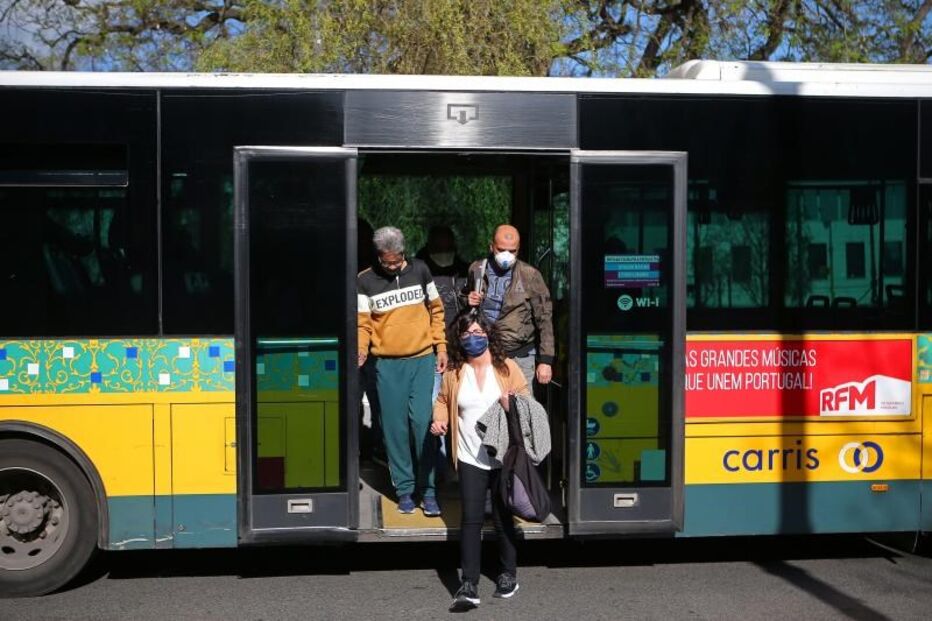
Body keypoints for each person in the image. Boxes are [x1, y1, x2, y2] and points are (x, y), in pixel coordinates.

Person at [430, 311, 528, 611]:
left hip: (502, 455)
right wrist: (439, 420)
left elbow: (527, 401)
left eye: (477, 333)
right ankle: (469, 583)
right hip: (469, 454)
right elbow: (443, 401)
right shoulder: (455, 372)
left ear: (488, 334)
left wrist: (512, 403)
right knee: (471, 519)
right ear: (459, 340)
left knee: (502, 516)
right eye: (466, 335)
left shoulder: (507, 367)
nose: (473, 339)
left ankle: (508, 574)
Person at [357, 226, 447, 516]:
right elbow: (363, 323)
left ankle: (428, 490)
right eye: (388, 263)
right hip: (387, 364)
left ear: (403, 253)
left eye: (397, 261)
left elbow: (436, 311)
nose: (394, 267)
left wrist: (441, 347)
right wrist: (361, 348)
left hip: (422, 360)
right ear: (379, 256)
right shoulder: (365, 281)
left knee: (423, 423)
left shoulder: (420, 270)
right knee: (394, 428)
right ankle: (405, 490)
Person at [465, 224, 555, 389]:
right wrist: (467, 299)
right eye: (501, 249)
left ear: (518, 250)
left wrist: (546, 360)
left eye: (512, 251)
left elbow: (545, 318)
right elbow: (464, 304)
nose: (506, 255)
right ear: (491, 247)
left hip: (520, 356)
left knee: (522, 403)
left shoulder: (530, 275)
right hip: (483, 354)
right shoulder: (477, 269)